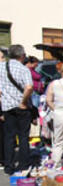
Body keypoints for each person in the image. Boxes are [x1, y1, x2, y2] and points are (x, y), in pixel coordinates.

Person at [0, 44, 33, 175]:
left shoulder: (1, 67)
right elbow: (29, 87)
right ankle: (23, 165)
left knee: (9, 136)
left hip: (7, 106)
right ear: (22, 56)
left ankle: (8, 165)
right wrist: (24, 102)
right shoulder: (23, 69)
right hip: (21, 106)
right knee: (23, 136)